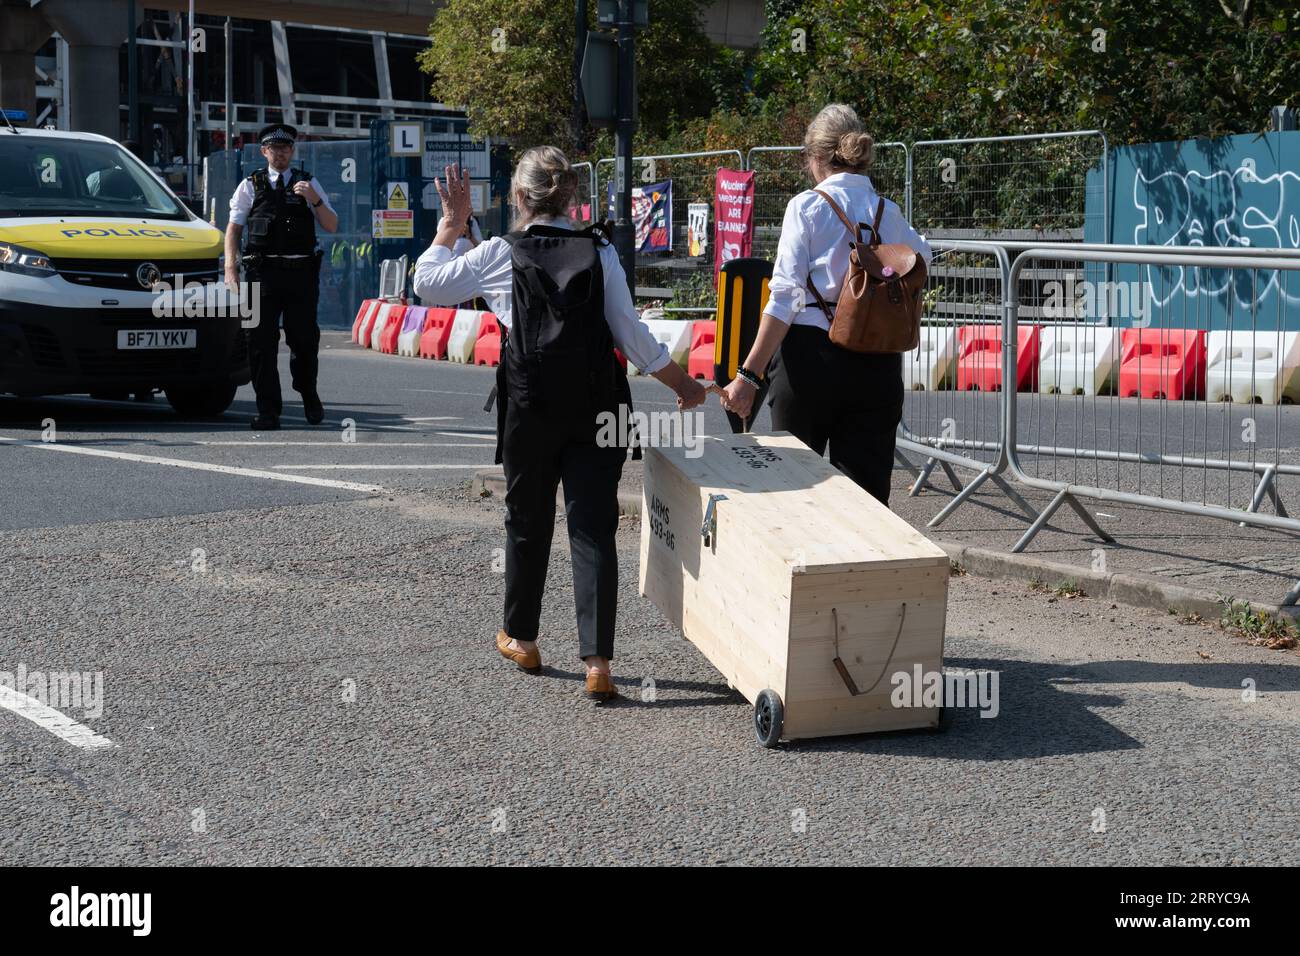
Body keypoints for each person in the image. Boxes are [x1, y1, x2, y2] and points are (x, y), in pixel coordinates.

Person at [413, 148, 709, 701]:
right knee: (593, 525)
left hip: (530, 406)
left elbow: (428, 285)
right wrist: (684, 385)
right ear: (572, 197)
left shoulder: (501, 251)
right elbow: (631, 335)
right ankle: (598, 661)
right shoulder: (599, 250)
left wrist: (450, 227)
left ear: (519, 199)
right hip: (600, 408)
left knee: (527, 519)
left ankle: (522, 638)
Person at [717, 103, 932, 506]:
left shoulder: (807, 207)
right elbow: (925, 257)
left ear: (816, 158)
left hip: (810, 363)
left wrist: (749, 376)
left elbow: (785, 298)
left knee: (797, 495)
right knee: (867, 503)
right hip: (877, 365)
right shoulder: (889, 211)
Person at [224, 123, 338, 430]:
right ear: (264, 152)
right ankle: (267, 411)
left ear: (292, 151)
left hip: (300, 274)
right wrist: (230, 269)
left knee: (304, 340)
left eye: (286, 148)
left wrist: (314, 199)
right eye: (274, 148)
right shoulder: (251, 184)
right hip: (260, 274)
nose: (281, 153)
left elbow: (331, 225)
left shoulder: (307, 182)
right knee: (258, 343)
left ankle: (308, 393)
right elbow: (233, 229)